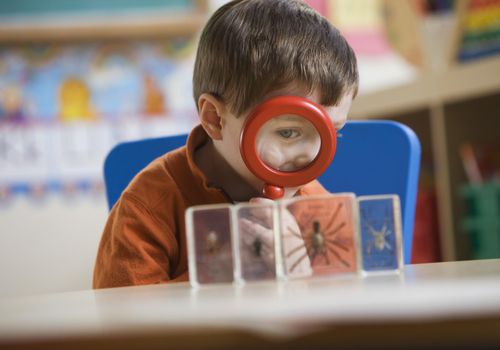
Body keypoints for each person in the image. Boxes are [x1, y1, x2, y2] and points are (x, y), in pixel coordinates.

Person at [93, 0, 358, 288]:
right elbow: (124, 321)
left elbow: (349, 317)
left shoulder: (320, 209)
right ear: (215, 118)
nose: (312, 154)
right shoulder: (147, 209)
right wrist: (225, 271)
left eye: (332, 133)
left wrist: (302, 277)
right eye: (288, 133)